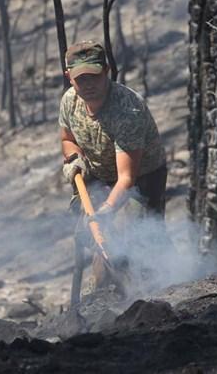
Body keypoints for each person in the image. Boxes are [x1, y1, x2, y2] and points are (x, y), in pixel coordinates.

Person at [59, 40, 168, 300]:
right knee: (92, 236)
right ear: (69, 78)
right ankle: (103, 292)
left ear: (106, 71)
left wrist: (105, 211)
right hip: (100, 174)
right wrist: (74, 159)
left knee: (131, 233)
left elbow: (127, 179)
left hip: (141, 177)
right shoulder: (70, 101)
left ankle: (156, 292)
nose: (88, 84)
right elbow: (67, 138)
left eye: (94, 76)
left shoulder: (126, 110)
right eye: (81, 78)